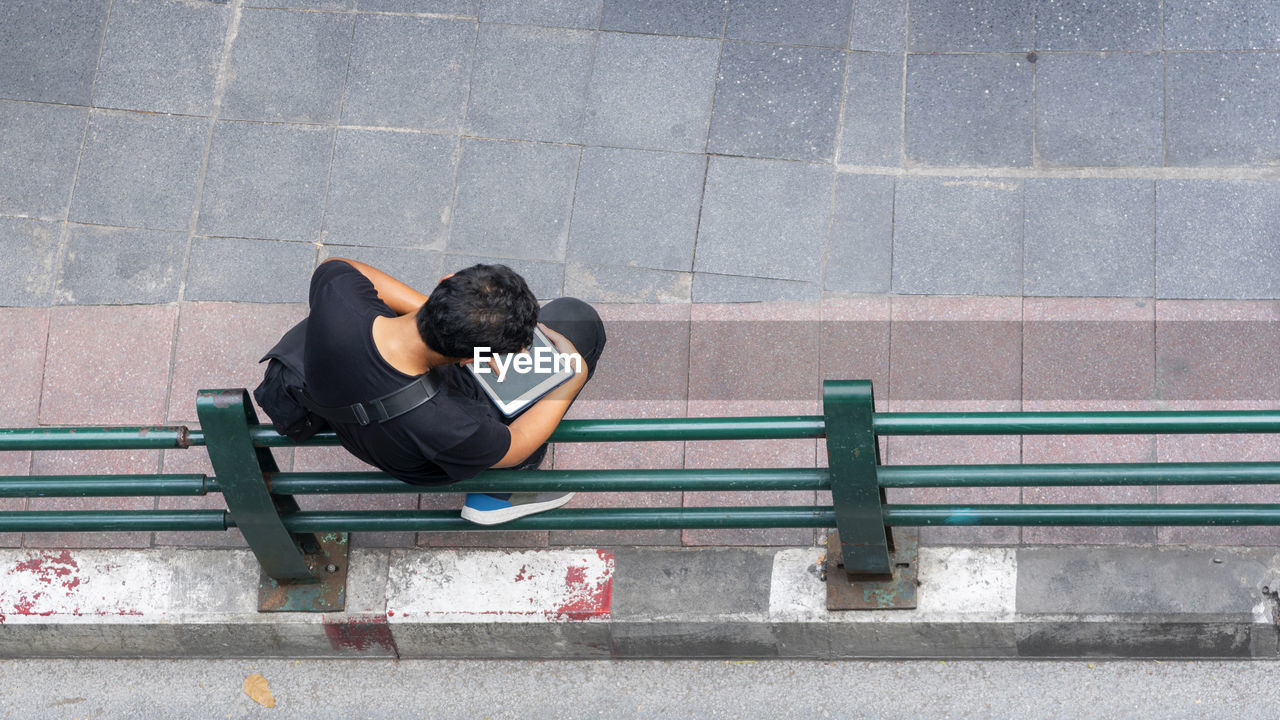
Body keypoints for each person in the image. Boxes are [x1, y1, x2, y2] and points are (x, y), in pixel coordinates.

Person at [302, 257, 605, 525]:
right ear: (472, 359)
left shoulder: (337, 295)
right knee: (577, 320)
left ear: (445, 282)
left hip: (348, 411)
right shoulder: (453, 425)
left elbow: (341, 265)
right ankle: (496, 494)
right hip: (416, 456)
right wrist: (574, 375)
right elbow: (516, 446)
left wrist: (456, 322)